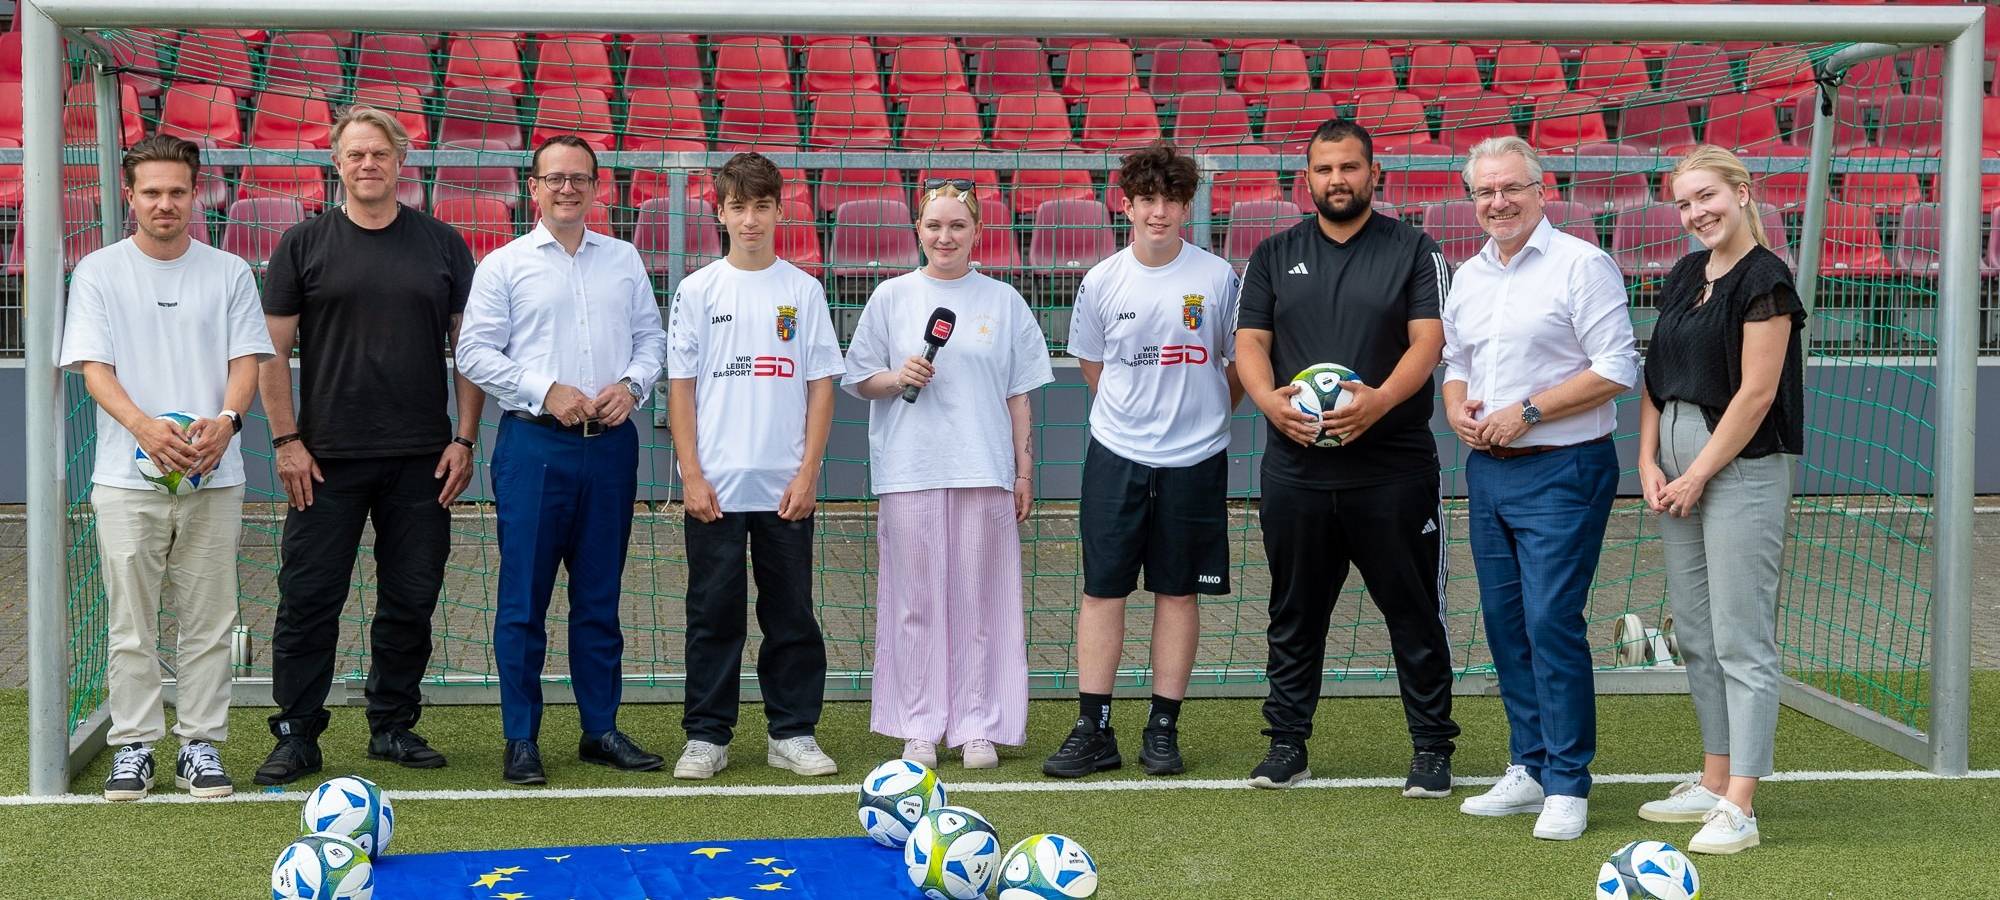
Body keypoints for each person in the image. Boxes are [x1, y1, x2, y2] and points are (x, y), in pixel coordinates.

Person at [255, 106, 484, 785]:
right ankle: (297, 732)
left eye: (379, 154)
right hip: (323, 460)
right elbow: (270, 352)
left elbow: (467, 352)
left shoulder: (442, 245)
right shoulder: (302, 244)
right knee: (308, 598)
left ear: (400, 160)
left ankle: (392, 723)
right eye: (354, 155)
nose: (367, 165)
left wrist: (465, 437)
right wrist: (286, 440)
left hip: (422, 456)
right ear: (337, 163)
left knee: (411, 596)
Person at [1234, 118, 1459, 795]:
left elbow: (1429, 341)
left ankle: (1430, 748)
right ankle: (1286, 743)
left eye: (1350, 168)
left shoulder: (1414, 250)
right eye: (1325, 169)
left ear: (1374, 174)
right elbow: (1250, 343)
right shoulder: (1273, 254)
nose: (1338, 179)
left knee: (1413, 611)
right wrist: (1270, 403)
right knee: (1294, 611)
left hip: (1391, 469)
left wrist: (1381, 400)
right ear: (1307, 178)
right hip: (1297, 470)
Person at [59, 135, 275, 801]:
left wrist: (229, 422)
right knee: (133, 621)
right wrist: (146, 428)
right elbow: (96, 369)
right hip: (127, 478)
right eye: (151, 192)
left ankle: (201, 745)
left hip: (217, 473)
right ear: (129, 195)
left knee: (210, 617)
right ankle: (134, 747)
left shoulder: (229, 271)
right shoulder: (98, 271)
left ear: (197, 193)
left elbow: (247, 360)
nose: (164, 204)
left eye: (177, 191)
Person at [1441, 137, 1639, 841]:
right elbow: (1456, 360)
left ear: (1541, 188)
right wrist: (1457, 406)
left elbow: (1617, 367)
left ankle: (1567, 782)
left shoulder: (1582, 265)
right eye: (1485, 192)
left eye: (1511, 188)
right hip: (1488, 470)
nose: (1498, 202)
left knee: (1551, 621)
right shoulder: (1466, 276)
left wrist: (1526, 411)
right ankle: (1527, 764)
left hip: (1564, 467)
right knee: (1503, 623)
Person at [455, 135, 668, 784]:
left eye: (579, 178)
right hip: (533, 446)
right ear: (534, 188)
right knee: (523, 600)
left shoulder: (625, 259)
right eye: (555, 178)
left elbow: (651, 341)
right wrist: (544, 390)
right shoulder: (504, 265)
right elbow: (475, 354)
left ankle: (598, 728)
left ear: (597, 187)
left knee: (599, 599)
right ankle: (521, 737)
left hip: (610, 451)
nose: (567, 188)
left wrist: (631, 386)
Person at [1041, 143, 1241, 779]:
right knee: (1103, 590)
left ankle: (1163, 726)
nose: (1159, 212)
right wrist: (1133, 422)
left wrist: (1202, 417)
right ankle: (1094, 727)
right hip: (1117, 454)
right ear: (1125, 205)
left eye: (1172, 200)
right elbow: (1093, 368)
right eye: (1147, 200)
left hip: (1197, 457)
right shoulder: (1102, 280)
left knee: (1177, 592)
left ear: (1187, 205)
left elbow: (1236, 366)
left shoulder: (1217, 278)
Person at [843, 179, 1053, 770]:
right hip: (909, 471)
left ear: (977, 232)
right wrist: (897, 378)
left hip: (984, 470)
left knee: (981, 603)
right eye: (934, 225)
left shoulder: (1004, 300)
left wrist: (1023, 471)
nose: (945, 236)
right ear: (918, 229)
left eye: (957, 225)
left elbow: (1019, 396)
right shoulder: (890, 297)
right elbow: (860, 380)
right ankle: (918, 725)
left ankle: (978, 724)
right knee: (914, 604)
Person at [1635, 145, 1805, 856]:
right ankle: (1713, 778)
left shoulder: (1766, 280)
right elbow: (1655, 376)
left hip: (1737, 471)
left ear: (1742, 192)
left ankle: (1741, 806)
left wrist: (1699, 470)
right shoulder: (1682, 275)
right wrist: (1644, 459)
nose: (1697, 213)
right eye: (1684, 203)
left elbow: (1757, 393)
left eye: (1708, 196)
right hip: (1676, 469)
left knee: (1742, 640)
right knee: (1698, 637)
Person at [664, 152, 843, 781]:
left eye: (761, 206)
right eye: (738, 207)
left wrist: (808, 472)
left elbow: (822, 385)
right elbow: (680, 387)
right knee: (712, 612)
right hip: (715, 484)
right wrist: (691, 472)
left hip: (783, 486)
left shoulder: (802, 289)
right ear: (720, 213)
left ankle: (791, 731)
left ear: (778, 211)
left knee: (791, 612)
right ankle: (707, 736)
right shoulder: (698, 290)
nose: (750, 220)